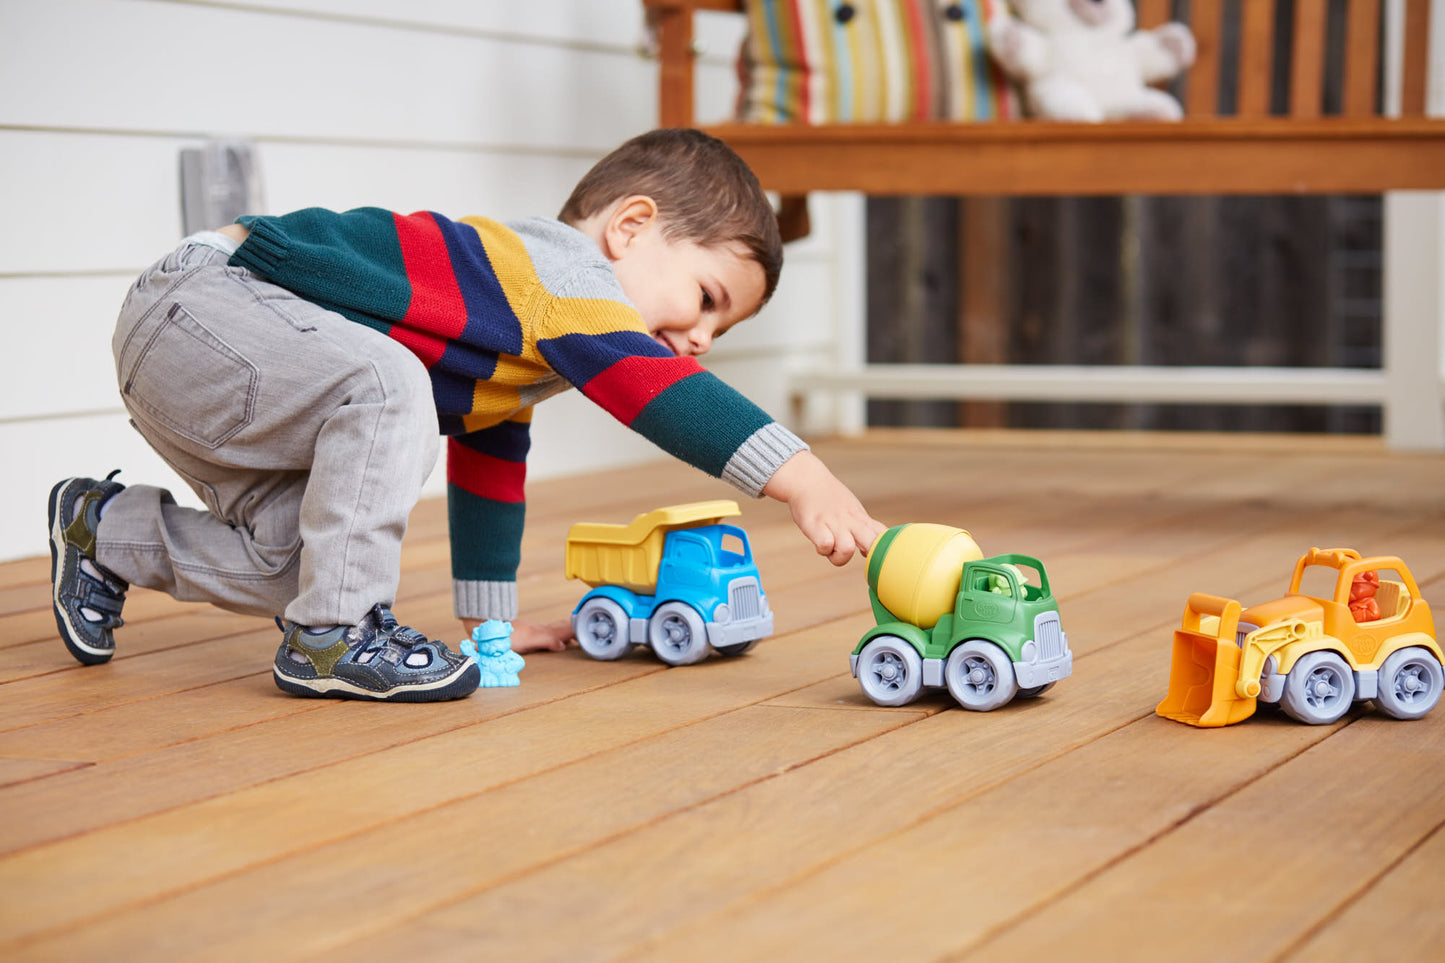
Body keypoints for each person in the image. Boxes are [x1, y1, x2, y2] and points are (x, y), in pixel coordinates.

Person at [48, 128, 886, 702]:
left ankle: (105, 530)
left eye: (720, 330)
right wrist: (797, 474)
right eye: (706, 299)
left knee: (297, 565)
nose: (699, 338)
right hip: (208, 305)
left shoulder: (512, 349)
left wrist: (490, 623)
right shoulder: (560, 276)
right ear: (631, 227)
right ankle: (333, 640)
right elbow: (656, 392)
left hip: (227, 369)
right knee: (389, 385)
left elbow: (489, 474)